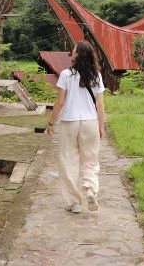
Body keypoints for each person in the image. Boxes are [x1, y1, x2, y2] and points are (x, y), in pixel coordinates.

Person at [46, 41, 105, 213]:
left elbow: (60, 102)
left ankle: (74, 202)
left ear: (78, 54)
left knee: (68, 161)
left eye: (73, 50)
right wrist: (100, 126)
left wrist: (51, 123)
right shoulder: (96, 75)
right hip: (90, 122)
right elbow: (100, 104)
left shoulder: (66, 74)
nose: (71, 51)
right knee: (90, 160)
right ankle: (91, 189)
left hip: (69, 122)